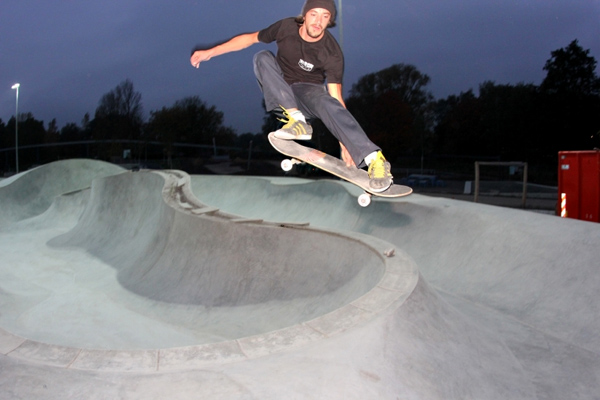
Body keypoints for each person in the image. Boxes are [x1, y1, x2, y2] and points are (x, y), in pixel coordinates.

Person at [190, 0, 393, 192]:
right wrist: (210, 52)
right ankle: (296, 121)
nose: (318, 21)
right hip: (280, 91)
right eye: (314, 14)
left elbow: (336, 100)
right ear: (304, 16)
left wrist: (345, 143)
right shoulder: (285, 28)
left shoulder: (331, 52)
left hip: (308, 93)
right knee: (261, 56)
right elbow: (249, 39)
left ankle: (375, 159)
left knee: (325, 99)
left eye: (325, 16)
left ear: (329, 21)